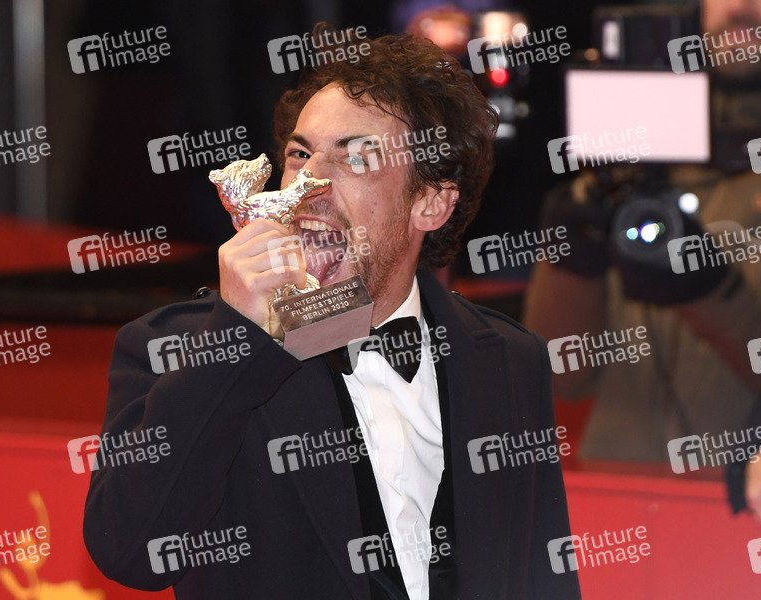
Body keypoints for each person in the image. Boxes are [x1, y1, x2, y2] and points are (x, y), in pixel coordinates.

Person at [83, 27, 580, 600]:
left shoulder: (509, 360)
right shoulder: (176, 349)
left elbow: (547, 580)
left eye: (357, 156)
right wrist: (241, 338)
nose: (310, 183)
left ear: (430, 203)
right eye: (300, 154)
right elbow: (131, 552)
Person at [523, 0, 761, 526]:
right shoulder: (639, 143)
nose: (740, 7)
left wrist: (711, 294)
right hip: (610, 501)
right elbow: (563, 380)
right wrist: (570, 265)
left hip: (755, 511)